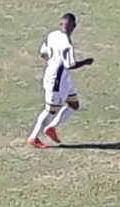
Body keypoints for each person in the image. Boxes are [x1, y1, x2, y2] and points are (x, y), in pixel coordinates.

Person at [27, 13, 94, 149]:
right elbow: (70, 64)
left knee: (74, 104)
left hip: (64, 80)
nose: (67, 28)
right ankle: (33, 137)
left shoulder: (52, 35)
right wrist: (85, 62)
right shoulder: (66, 44)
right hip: (55, 81)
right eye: (66, 26)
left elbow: (43, 53)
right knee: (50, 110)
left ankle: (51, 128)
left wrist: (53, 60)